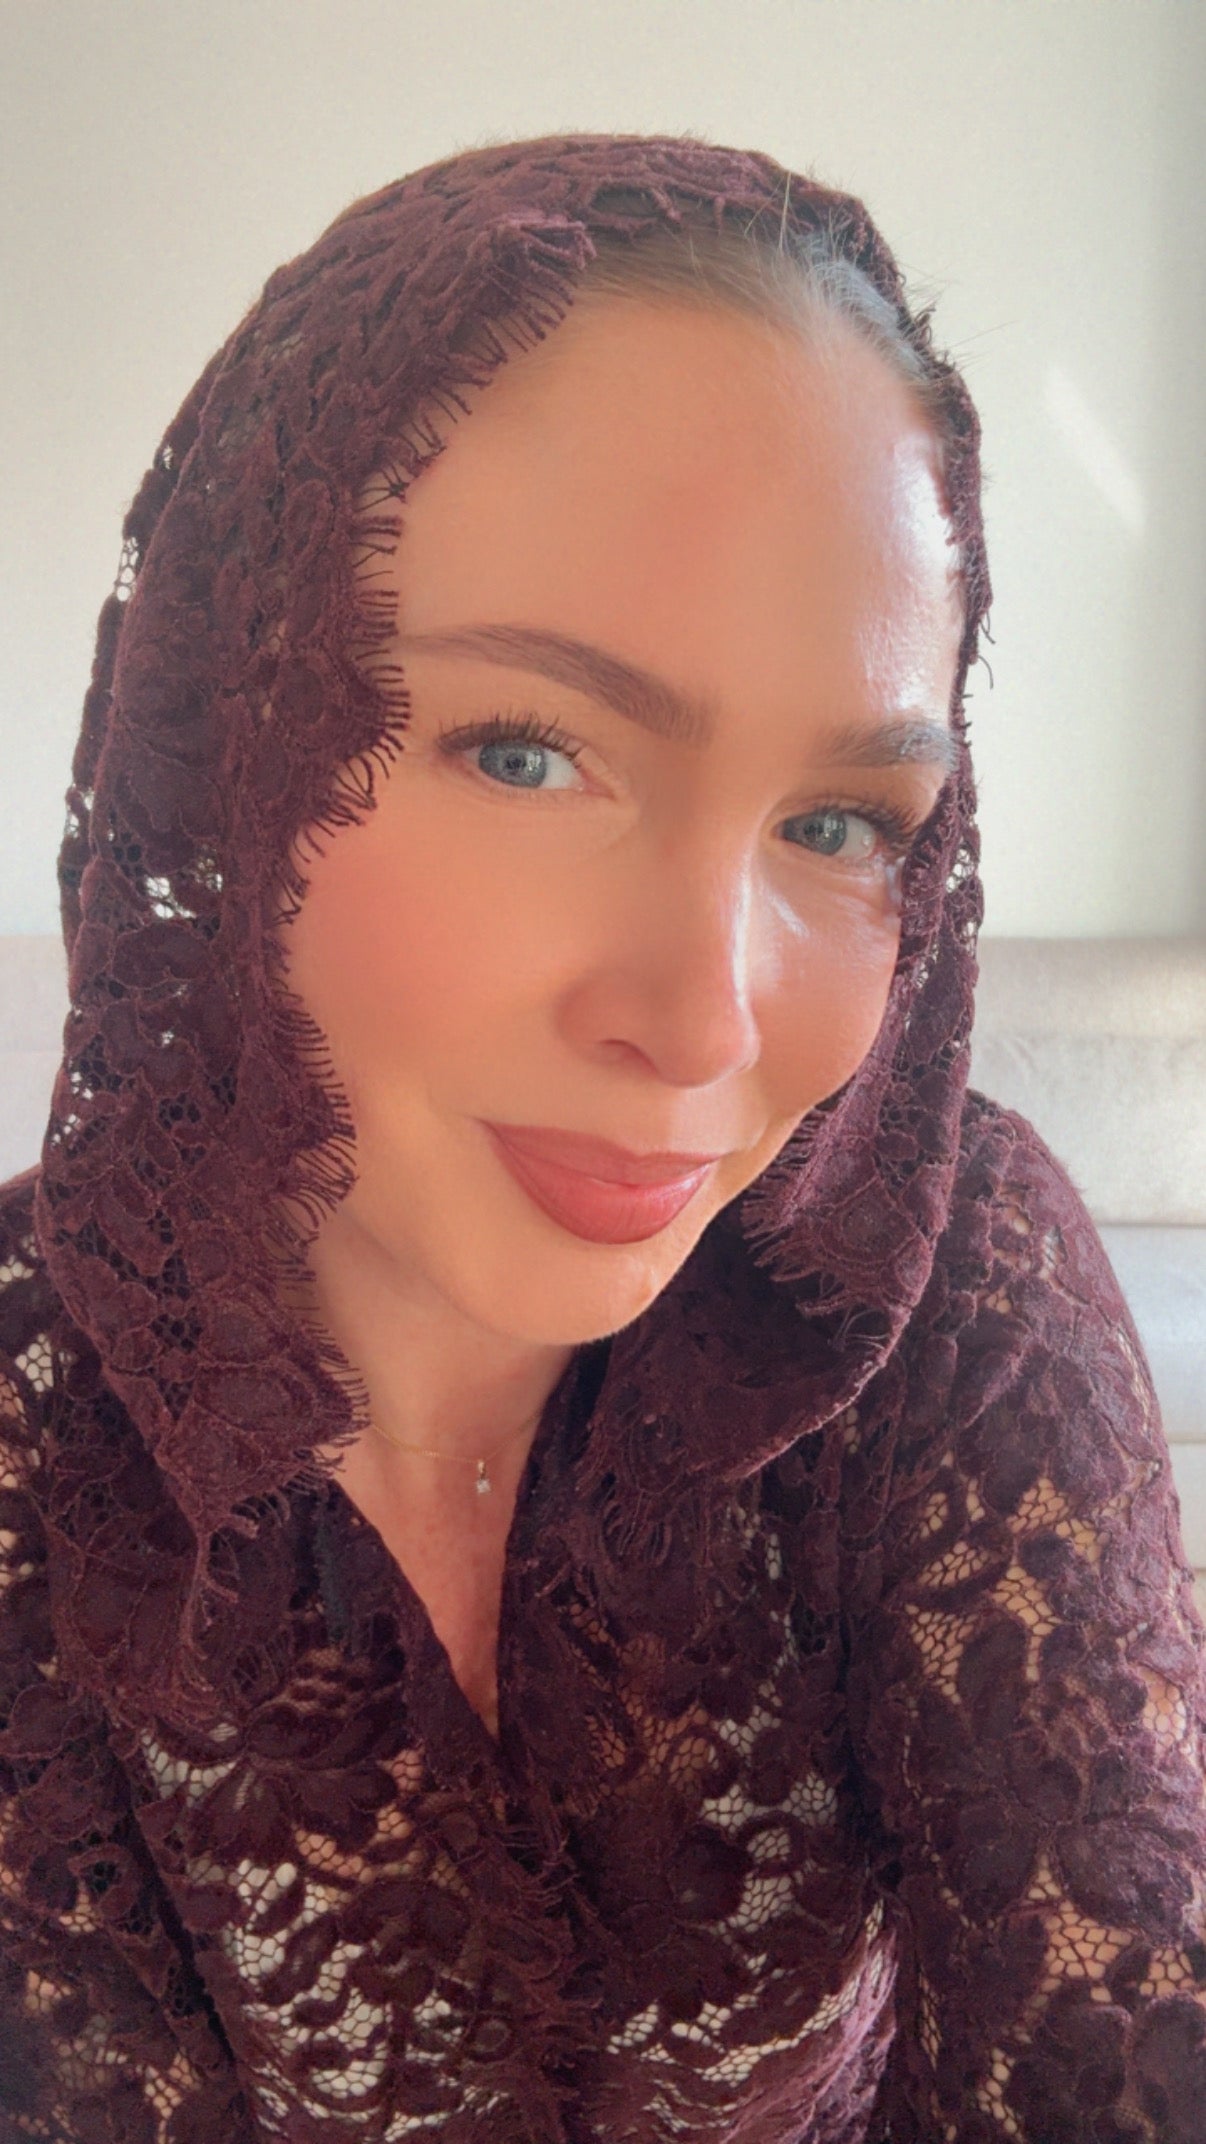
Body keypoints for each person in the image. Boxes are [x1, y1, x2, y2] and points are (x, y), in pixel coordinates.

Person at [0, 131, 1202, 2144]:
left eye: (839, 823)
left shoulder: (937, 1277)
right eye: (528, 751)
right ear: (232, 749)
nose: (710, 1025)